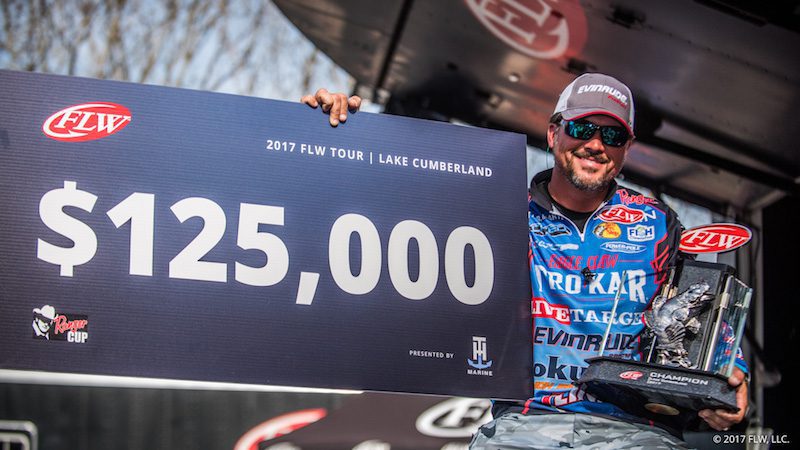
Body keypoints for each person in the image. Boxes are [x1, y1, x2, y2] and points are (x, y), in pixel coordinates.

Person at [302, 73, 748, 449]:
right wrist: (338, 130)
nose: (596, 144)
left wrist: (732, 374)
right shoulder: (497, 212)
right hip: (526, 424)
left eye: (612, 136)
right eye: (582, 129)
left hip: (636, 429)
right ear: (554, 134)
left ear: (626, 148)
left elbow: (702, 309)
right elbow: (390, 212)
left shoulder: (656, 222)